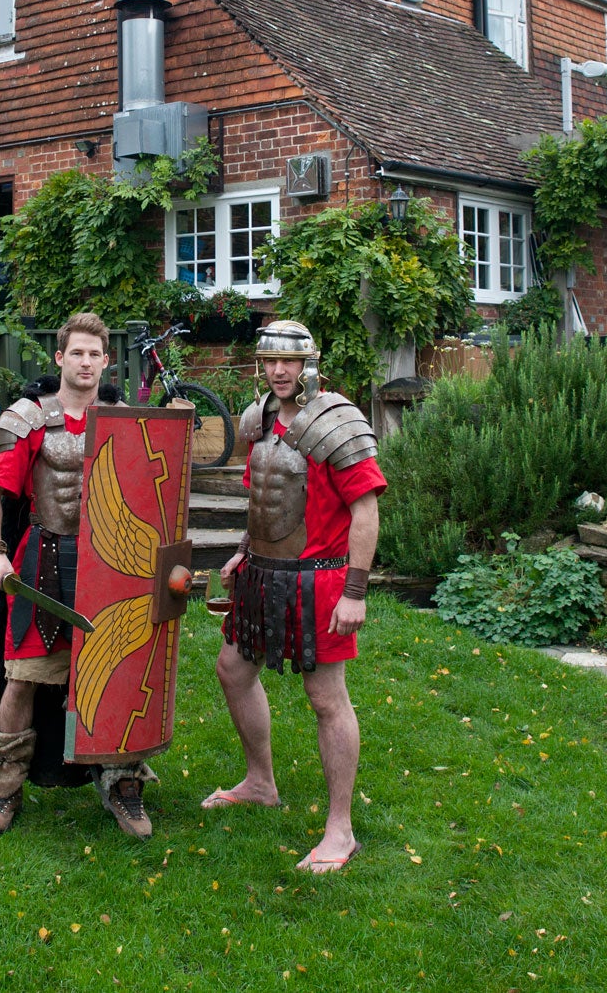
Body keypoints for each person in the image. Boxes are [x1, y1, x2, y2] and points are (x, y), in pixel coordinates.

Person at [204, 319, 383, 873]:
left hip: (320, 578)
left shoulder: (337, 420)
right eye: (270, 361)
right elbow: (263, 499)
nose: (279, 371)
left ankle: (340, 829)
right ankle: (260, 782)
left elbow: (366, 510)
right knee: (233, 669)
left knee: (326, 698)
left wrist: (354, 592)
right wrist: (242, 547)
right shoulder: (257, 418)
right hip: (262, 573)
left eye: (291, 361)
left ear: (310, 362)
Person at [0, 311, 155, 838]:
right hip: (44, 563)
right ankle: (5, 789)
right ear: (60, 359)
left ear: (106, 360)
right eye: (76, 352)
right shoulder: (32, 417)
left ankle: (124, 785)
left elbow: (154, 492)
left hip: (115, 567)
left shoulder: (126, 419)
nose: (85, 362)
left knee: (119, 674)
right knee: (24, 679)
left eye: (95, 354)